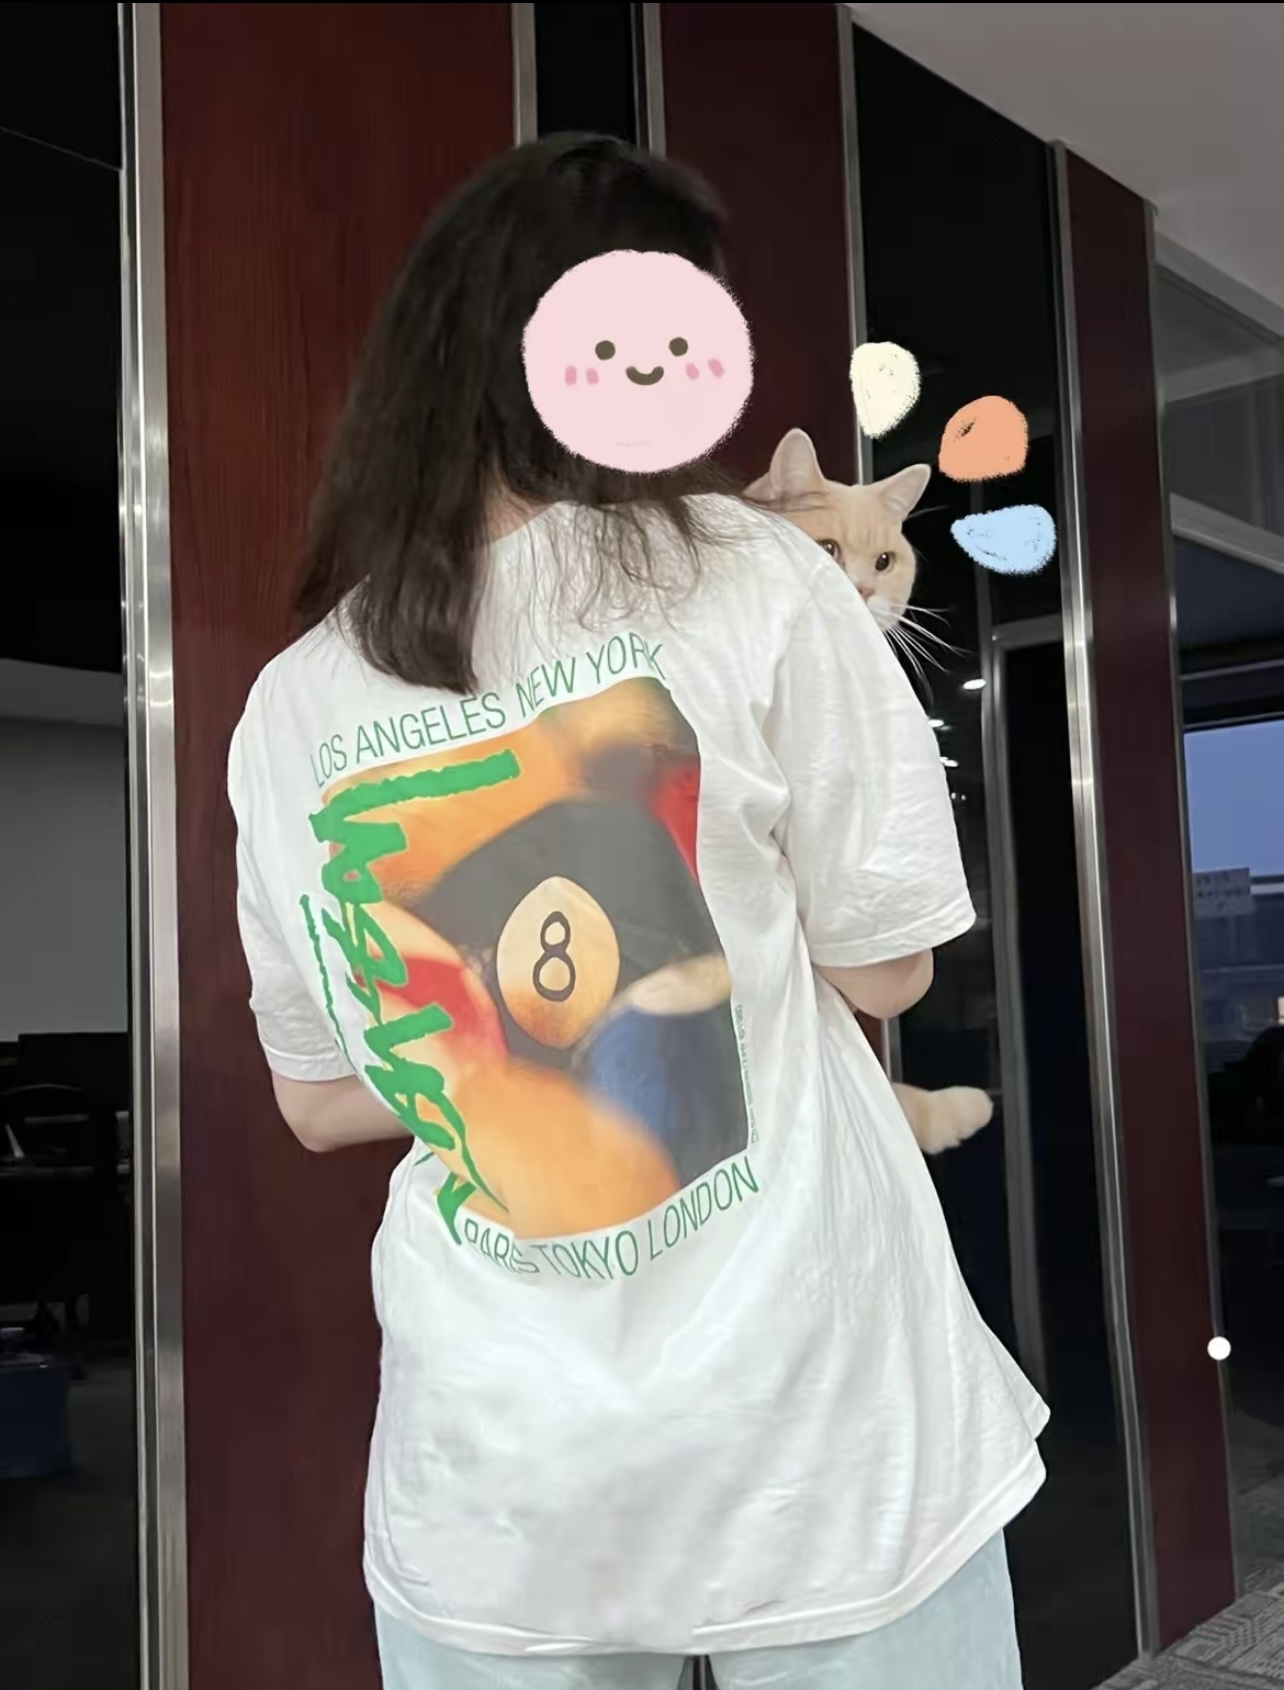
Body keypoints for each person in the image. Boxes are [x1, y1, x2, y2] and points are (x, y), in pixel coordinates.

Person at [229, 133, 1048, 1690]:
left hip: (502, 1463)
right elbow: (886, 965)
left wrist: (537, 1030)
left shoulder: (298, 698)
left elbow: (322, 1098)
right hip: (817, 1415)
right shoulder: (752, 573)